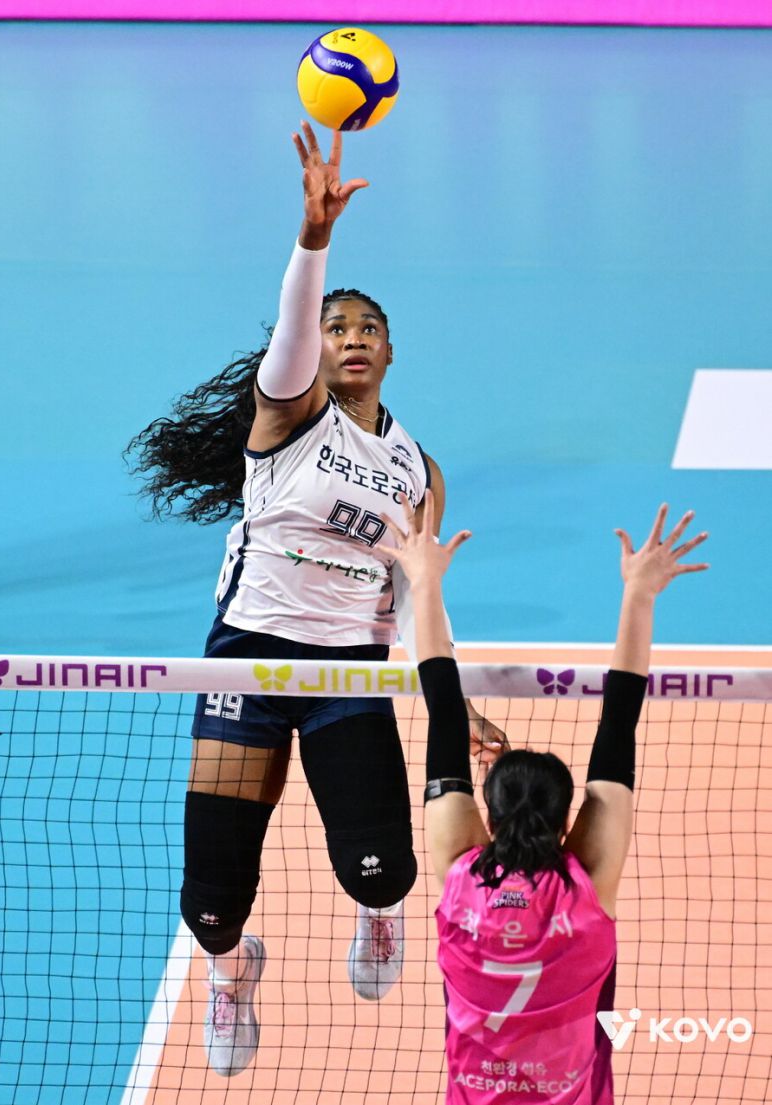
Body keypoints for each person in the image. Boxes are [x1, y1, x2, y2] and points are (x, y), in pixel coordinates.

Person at [125, 123, 506, 1078]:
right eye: (336, 328)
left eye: (366, 328)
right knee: (212, 896)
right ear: (313, 351)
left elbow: (416, 588)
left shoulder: (417, 469)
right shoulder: (288, 414)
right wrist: (313, 236)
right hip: (249, 656)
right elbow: (293, 325)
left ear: (390, 351)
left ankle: (377, 918)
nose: (350, 338)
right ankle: (231, 972)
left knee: (383, 868)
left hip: (349, 669)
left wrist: (454, 694)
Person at [378, 494, 709, 1104]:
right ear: (567, 824)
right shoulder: (584, 892)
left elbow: (445, 711)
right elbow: (618, 726)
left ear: (487, 813)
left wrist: (422, 583)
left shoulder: (462, 882)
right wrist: (639, 593)